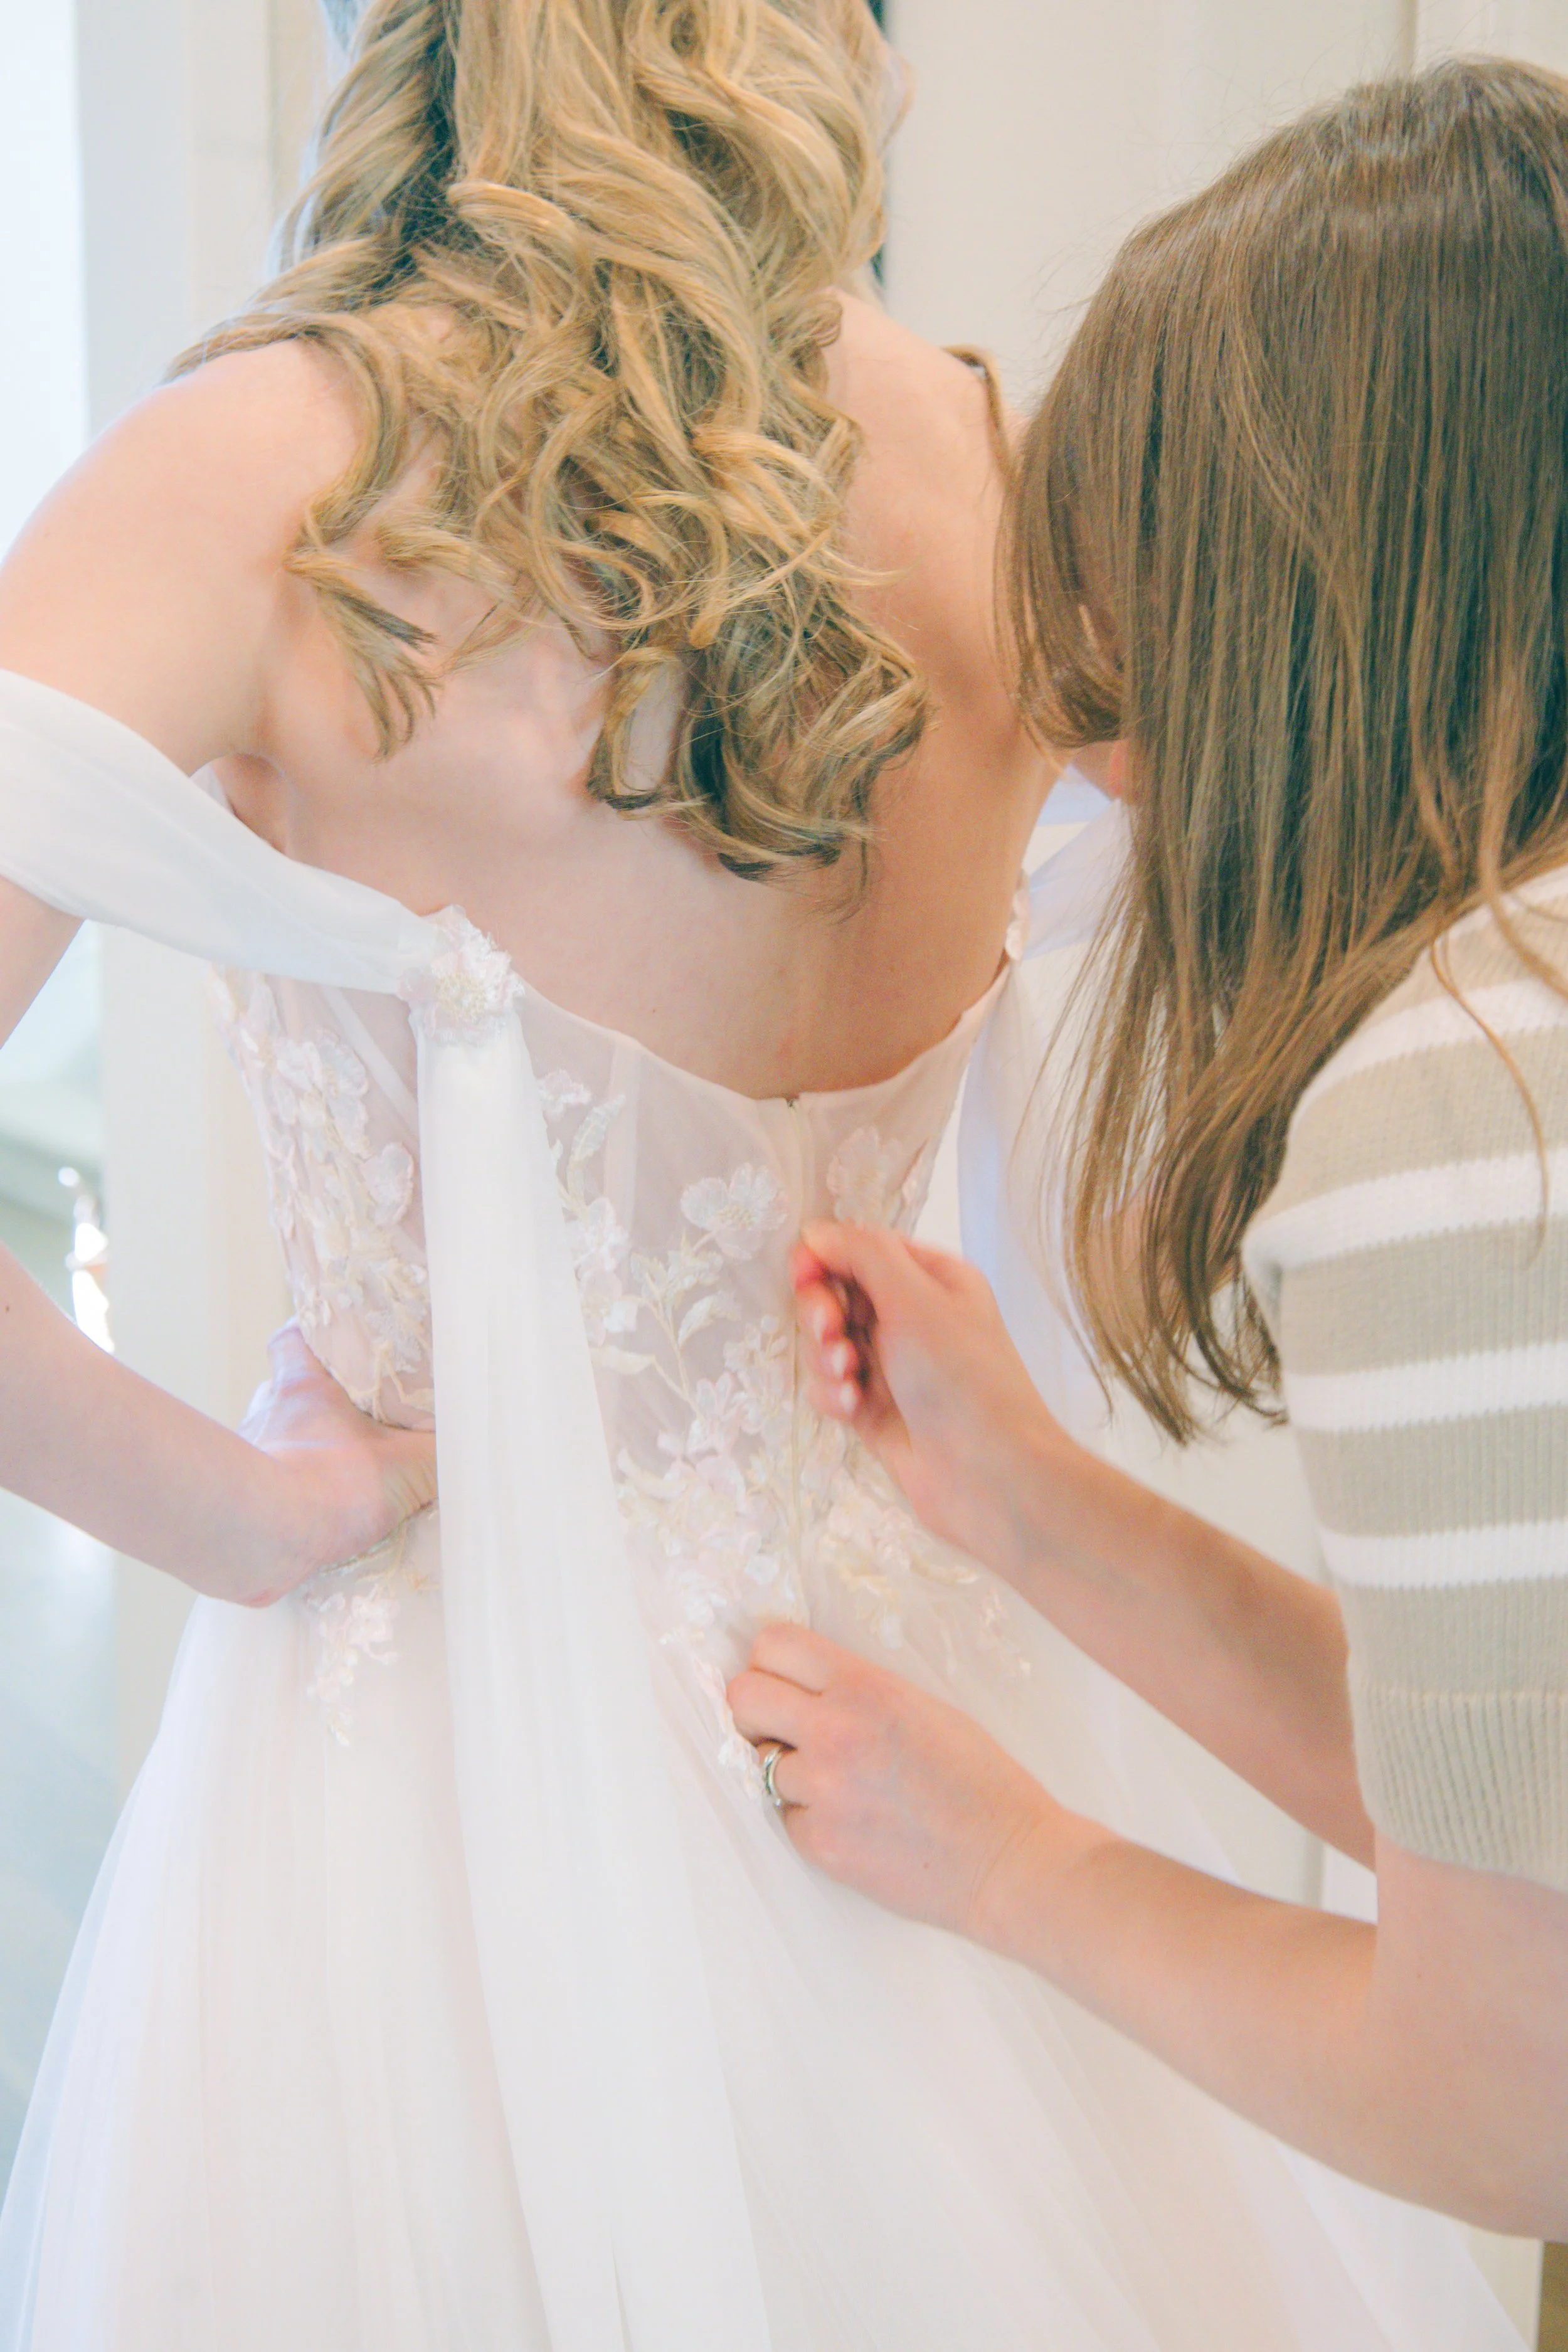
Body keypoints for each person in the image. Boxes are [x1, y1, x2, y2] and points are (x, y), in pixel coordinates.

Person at [0, 11, 1517, 2350]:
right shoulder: (998, 462)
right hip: (944, 1696)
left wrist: (239, 1512)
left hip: (440, 1810)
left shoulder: (268, 484)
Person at [733, 54, 1568, 2246]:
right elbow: (1508, 1788)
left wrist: (1000, 1852)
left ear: (1308, 617)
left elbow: (1513, 2097)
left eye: (1133, 658)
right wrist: (1035, 1509)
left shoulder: (1474, 1099)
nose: (1094, 761)